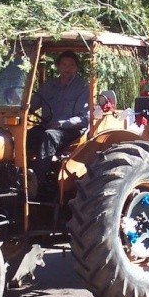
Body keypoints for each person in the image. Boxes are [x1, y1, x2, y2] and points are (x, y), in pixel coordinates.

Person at [27, 50, 90, 197]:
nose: (67, 68)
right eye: (64, 65)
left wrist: (62, 124)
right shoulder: (49, 86)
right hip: (47, 126)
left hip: (72, 131)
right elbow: (33, 105)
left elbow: (84, 119)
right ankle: (18, 174)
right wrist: (22, 110)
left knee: (50, 136)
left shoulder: (83, 88)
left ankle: (35, 180)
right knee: (25, 136)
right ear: (58, 66)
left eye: (71, 65)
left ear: (76, 68)